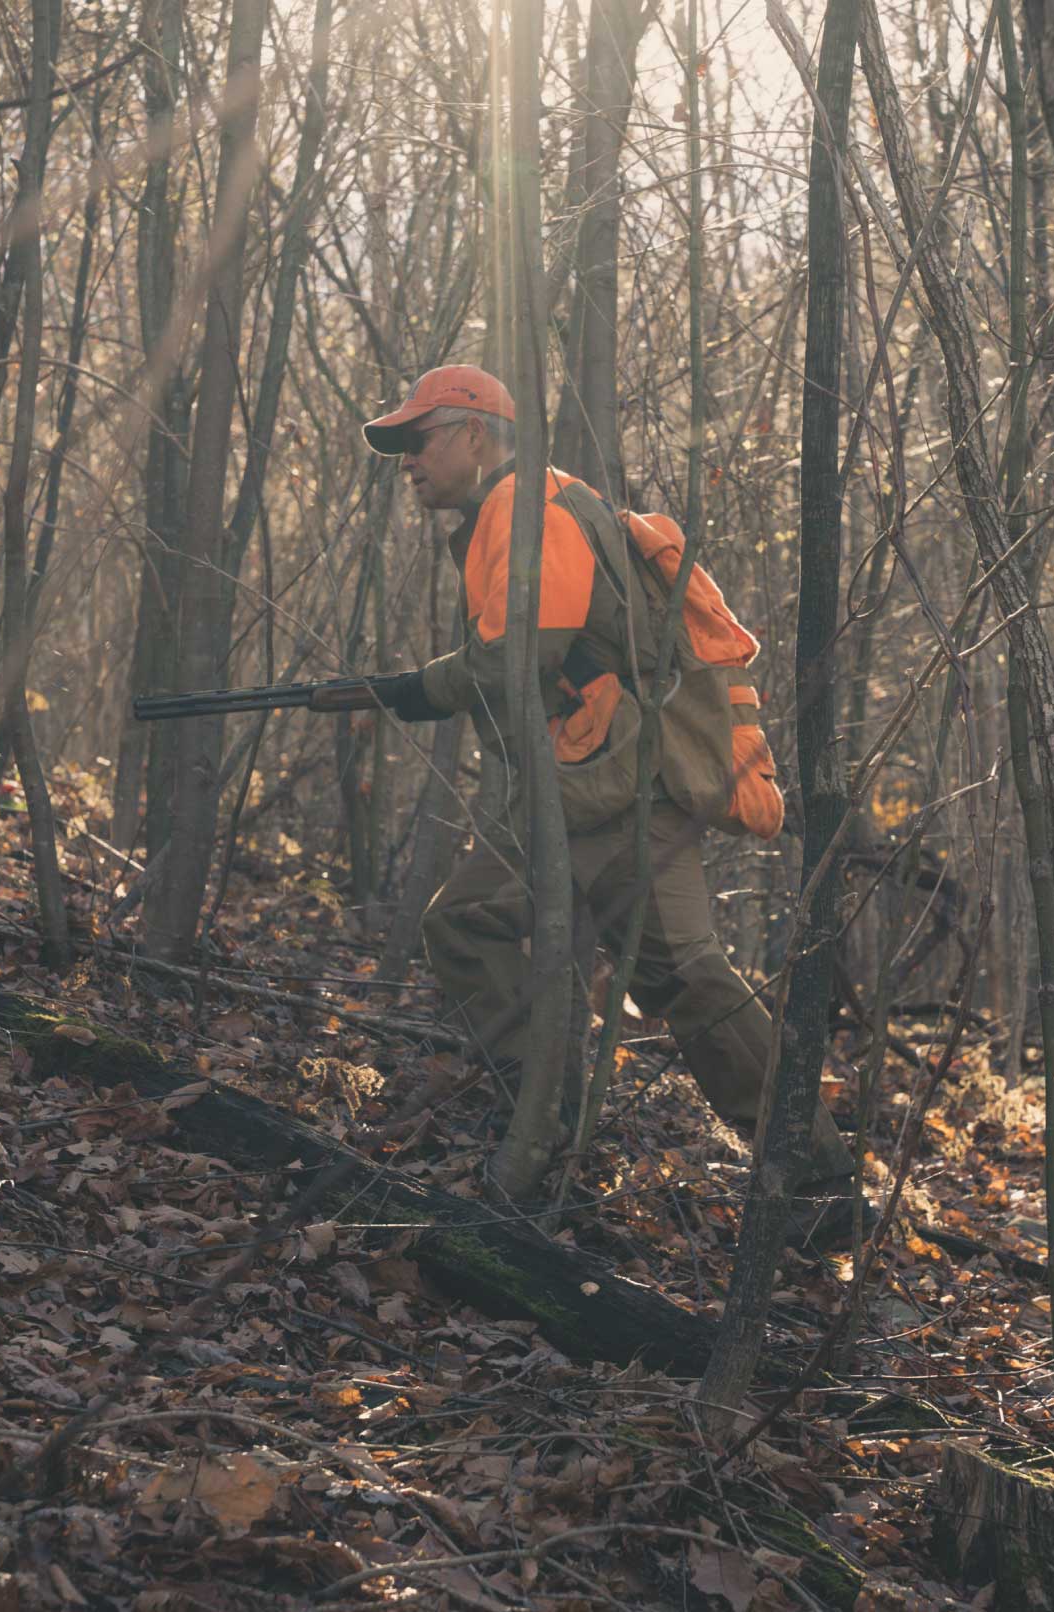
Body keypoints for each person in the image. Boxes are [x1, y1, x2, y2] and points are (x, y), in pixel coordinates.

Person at [361, 364, 861, 1229]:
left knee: (616, 957)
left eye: (419, 437)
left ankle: (789, 1174)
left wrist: (421, 688)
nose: (407, 459)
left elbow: (527, 657)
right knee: (654, 967)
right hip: (609, 780)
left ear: (475, 435)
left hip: (615, 784)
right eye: (400, 444)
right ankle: (794, 1172)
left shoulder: (529, 513)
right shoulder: (521, 509)